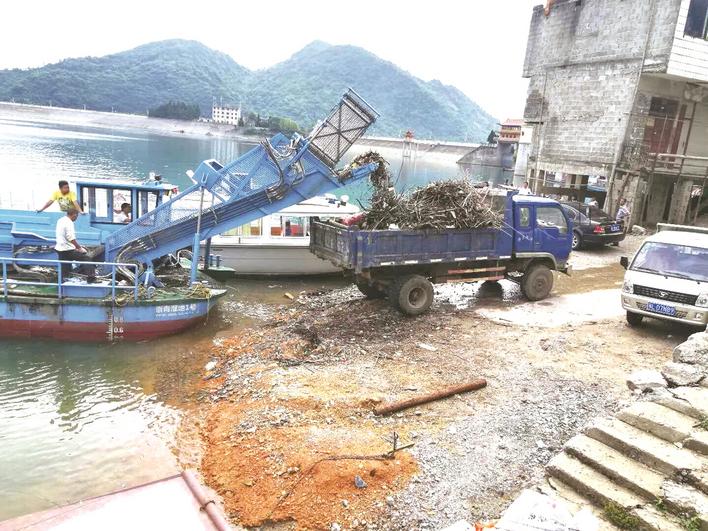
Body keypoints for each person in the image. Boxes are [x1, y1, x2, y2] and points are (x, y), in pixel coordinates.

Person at [55, 208, 95, 281]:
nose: (76, 218)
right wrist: (79, 248)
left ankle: (63, 282)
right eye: (77, 216)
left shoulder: (60, 220)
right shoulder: (69, 222)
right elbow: (71, 238)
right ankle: (91, 278)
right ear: (74, 215)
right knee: (86, 258)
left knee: (65, 267)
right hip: (67, 249)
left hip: (59, 248)